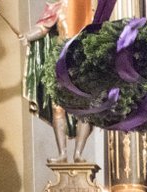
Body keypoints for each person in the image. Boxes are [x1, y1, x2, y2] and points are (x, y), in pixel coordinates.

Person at [21, 1, 94, 163]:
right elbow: (43, 28)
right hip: (61, 62)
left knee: (86, 109)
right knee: (58, 108)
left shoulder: (88, 7)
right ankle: (62, 154)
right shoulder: (57, 7)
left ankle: (78, 154)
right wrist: (28, 36)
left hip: (82, 62)